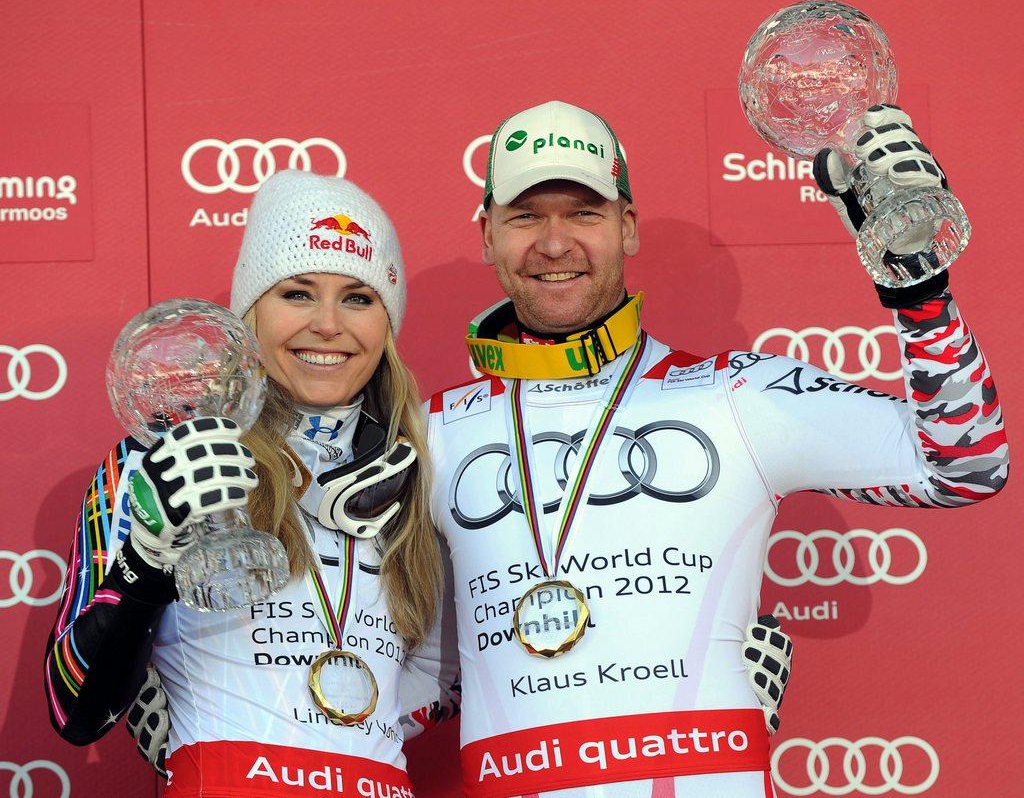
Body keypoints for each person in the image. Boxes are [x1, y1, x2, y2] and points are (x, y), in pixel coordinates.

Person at [423, 101, 1008, 798]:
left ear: (626, 227)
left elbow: (965, 463)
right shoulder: (429, 435)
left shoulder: (735, 394)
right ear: (488, 234)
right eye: (525, 216)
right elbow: (409, 673)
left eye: (584, 213)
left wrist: (920, 292)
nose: (555, 244)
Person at [44, 171, 461, 796]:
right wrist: (148, 566)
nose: (327, 324)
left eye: (357, 297)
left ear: (387, 321)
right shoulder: (161, 459)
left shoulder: (424, 469)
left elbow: (445, 665)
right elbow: (72, 711)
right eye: (296, 293)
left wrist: (346, 735)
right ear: (249, 314)